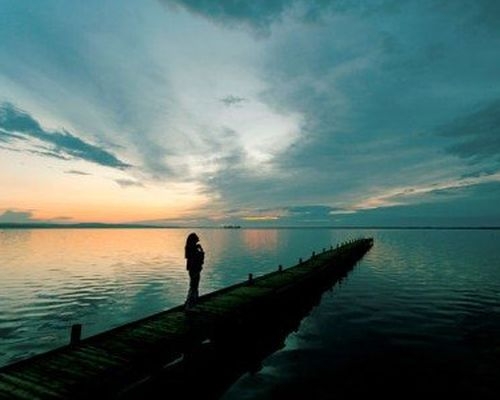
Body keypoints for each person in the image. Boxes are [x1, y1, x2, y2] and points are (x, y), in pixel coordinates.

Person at [184, 232, 204, 311]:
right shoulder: (193, 248)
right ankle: (190, 305)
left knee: (193, 287)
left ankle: (190, 304)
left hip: (193, 269)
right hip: (195, 269)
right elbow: (200, 257)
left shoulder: (189, 247)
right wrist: (201, 250)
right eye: (196, 239)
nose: (197, 241)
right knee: (194, 287)